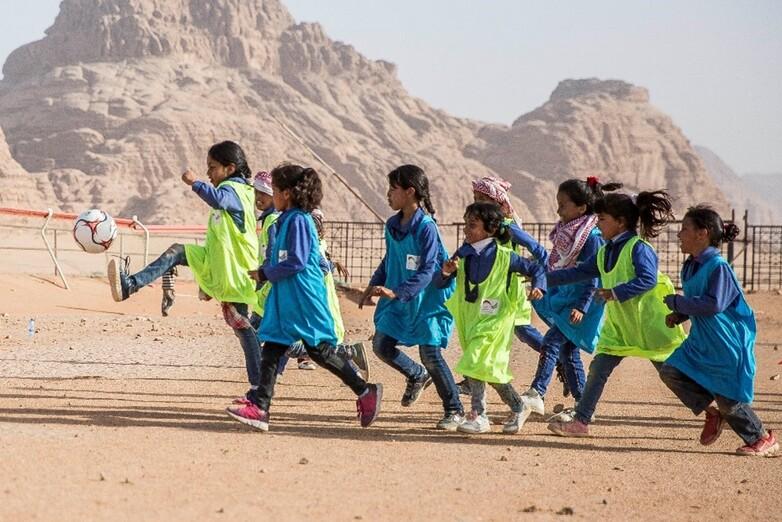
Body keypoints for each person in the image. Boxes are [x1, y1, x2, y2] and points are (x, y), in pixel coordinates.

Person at [108, 141, 264, 408]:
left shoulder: (236, 190)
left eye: (212, 168)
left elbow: (219, 199)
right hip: (218, 263)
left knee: (244, 327)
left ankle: (260, 389)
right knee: (176, 251)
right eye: (207, 169)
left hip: (235, 271)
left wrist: (194, 183)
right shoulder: (232, 189)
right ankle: (129, 285)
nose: (209, 174)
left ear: (230, 168)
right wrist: (207, 274)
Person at [227, 164, 382, 431]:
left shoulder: (298, 220)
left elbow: (296, 261)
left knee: (319, 351)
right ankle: (260, 406)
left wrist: (265, 273)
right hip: (287, 294)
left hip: (303, 295)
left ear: (287, 193)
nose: (270, 195)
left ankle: (365, 391)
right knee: (274, 347)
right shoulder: (286, 219)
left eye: (274, 190)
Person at [546, 189, 687, 437]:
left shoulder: (639, 248)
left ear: (620, 222)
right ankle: (581, 422)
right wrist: (540, 278)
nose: (597, 224)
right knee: (599, 368)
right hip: (622, 327)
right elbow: (576, 273)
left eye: (602, 219)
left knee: (672, 374)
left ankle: (714, 410)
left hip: (649, 326)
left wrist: (615, 292)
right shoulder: (605, 251)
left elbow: (647, 279)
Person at [659, 205, 777, 456]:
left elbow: (714, 304)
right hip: (702, 340)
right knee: (670, 371)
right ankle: (711, 412)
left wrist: (677, 302)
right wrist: (680, 315)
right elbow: (699, 300)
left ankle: (761, 437)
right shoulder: (691, 266)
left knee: (728, 398)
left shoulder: (717, 266)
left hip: (725, 342)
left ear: (702, 233)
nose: (679, 235)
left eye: (684, 229)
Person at [359, 164, 465, 430]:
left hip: (426, 299)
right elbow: (390, 260)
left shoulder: (426, 228)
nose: (388, 194)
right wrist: (373, 285)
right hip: (399, 296)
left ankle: (455, 409)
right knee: (382, 345)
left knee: (430, 353)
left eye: (393, 189)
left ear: (410, 192)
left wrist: (398, 292)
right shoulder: (393, 226)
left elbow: (430, 267)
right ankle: (416, 375)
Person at [436, 202, 546, 434]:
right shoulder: (463, 254)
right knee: (486, 368)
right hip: (470, 320)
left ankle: (479, 415)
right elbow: (441, 281)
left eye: (472, 225)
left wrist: (539, 287)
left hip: (496, 320)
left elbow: (536, 269)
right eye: (466, 224)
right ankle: (518, 406)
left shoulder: (506, 256)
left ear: (490, 229)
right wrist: (446, 271)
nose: (466, 229)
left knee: (476, 361)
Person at [521, 177, 609, 416]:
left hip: (583, 304)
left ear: (581, 208)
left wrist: (581, 307)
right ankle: (583, 405)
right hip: (569, 298)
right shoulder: (569, 233)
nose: (558, 210)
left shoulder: (591, 237)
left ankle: (536, 393)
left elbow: (593, 276)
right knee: (567, 351)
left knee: (551, 341)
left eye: (563, 205)